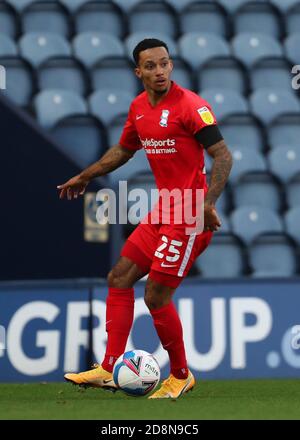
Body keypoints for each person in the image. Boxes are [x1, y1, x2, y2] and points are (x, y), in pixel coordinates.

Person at [58, 39, 232, 399]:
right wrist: (87, 175)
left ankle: (181, 375)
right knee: (119, 277)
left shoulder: (191, 106)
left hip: (187, 215)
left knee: (155, 296)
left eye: (164, 64)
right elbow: (125, 148)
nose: (159, 72)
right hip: (163, 210)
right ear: (138, 72)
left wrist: (207, 203)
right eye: (151, 66)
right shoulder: (139, 107)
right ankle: (109, 368)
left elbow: (223, 155)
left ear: (171, 66)